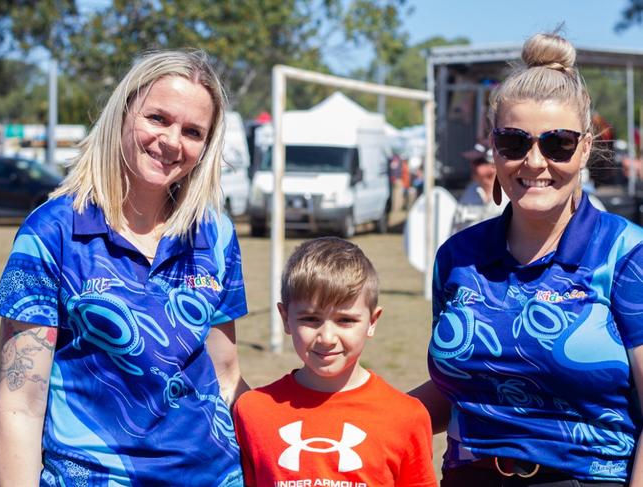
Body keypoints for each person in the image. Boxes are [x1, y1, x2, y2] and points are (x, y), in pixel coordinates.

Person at [0, 50, 248, 486]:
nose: (171, 141)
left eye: (192, 131)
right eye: (158, 118)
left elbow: (226, 376)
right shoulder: (52, 231)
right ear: (123, 113)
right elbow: (19, 404)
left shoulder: (215, 232)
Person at [410, 31, 643, 486]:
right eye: (515, 143)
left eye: (557, 143)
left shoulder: (627, 254)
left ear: (586, 147)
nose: (535, 162)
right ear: (493, 149)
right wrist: (355, 414)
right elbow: (456, 389)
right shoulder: (457, 257)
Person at [233, 237, 438, 486]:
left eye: (345, 320)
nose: (327, 338)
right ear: (285, 318)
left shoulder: (408, 416)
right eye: (310, 319)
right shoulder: (252, 412)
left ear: (372, 322)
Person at [450, 142, 506, 234]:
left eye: (478, 162)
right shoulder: (469, 193)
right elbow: (455, 229)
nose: (472, 166)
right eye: (471, 162)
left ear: (493, 165)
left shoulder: (511, 194)